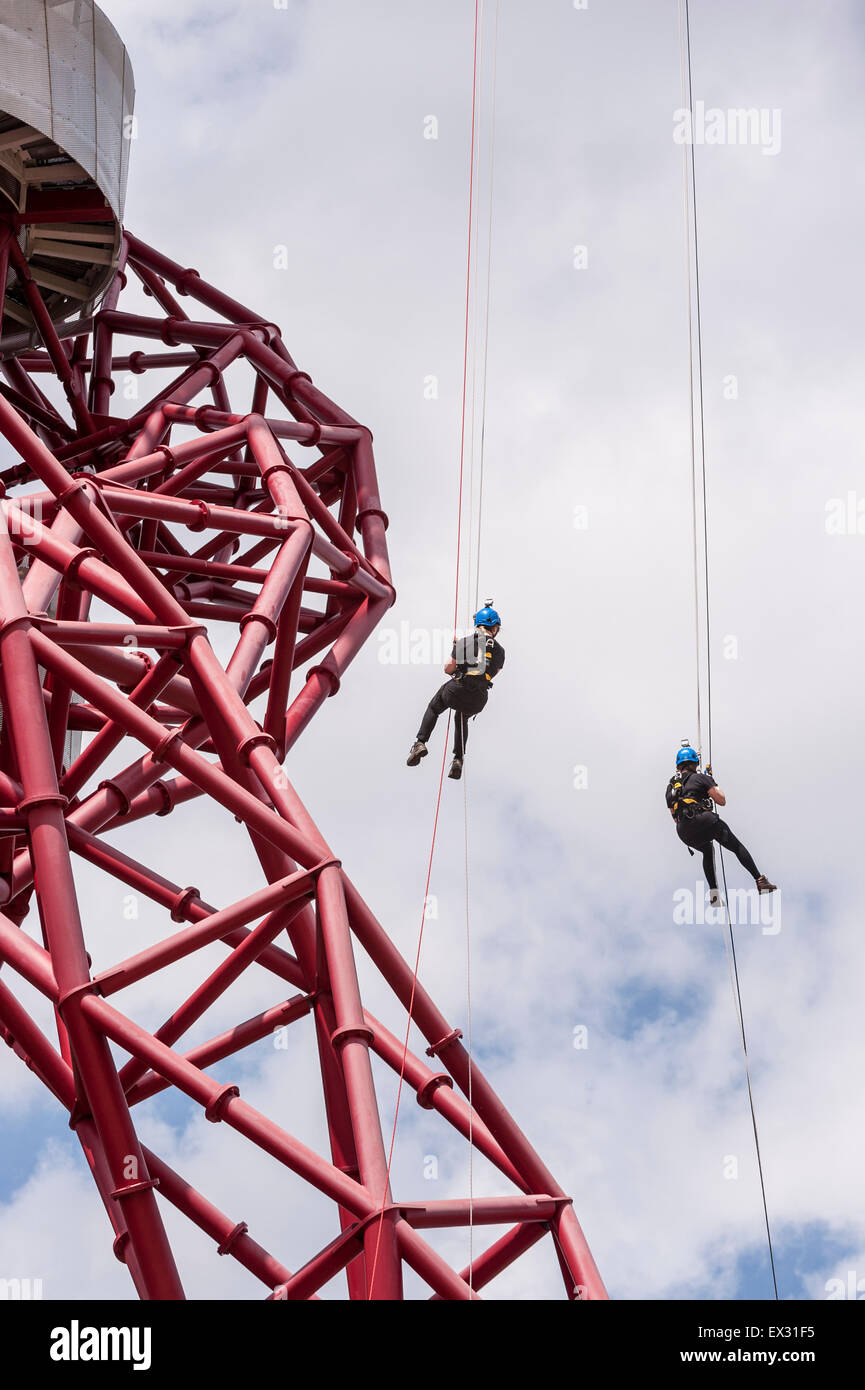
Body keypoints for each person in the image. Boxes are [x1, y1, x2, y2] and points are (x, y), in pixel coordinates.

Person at [666, 745, 777, 904]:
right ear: (695, 763)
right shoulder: (701, 778)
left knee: (707, 850)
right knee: (735, 845)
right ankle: (760, 881)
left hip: (684, 832)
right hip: (704, 820)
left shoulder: (671, 787)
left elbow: (674, 815)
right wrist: (711, 782)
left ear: (678, 766)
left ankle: (714, 895)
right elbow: (721, 800)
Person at [407, 603, 505, 781]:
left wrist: (458, 653)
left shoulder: (464, 642)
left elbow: (447, 668)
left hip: (457, 689)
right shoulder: (501, 651)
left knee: (434, 707)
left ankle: (420, 743)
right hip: (479, 699)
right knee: (461, 718)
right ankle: (458, 759)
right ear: (495, 627)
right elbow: (492, 673)